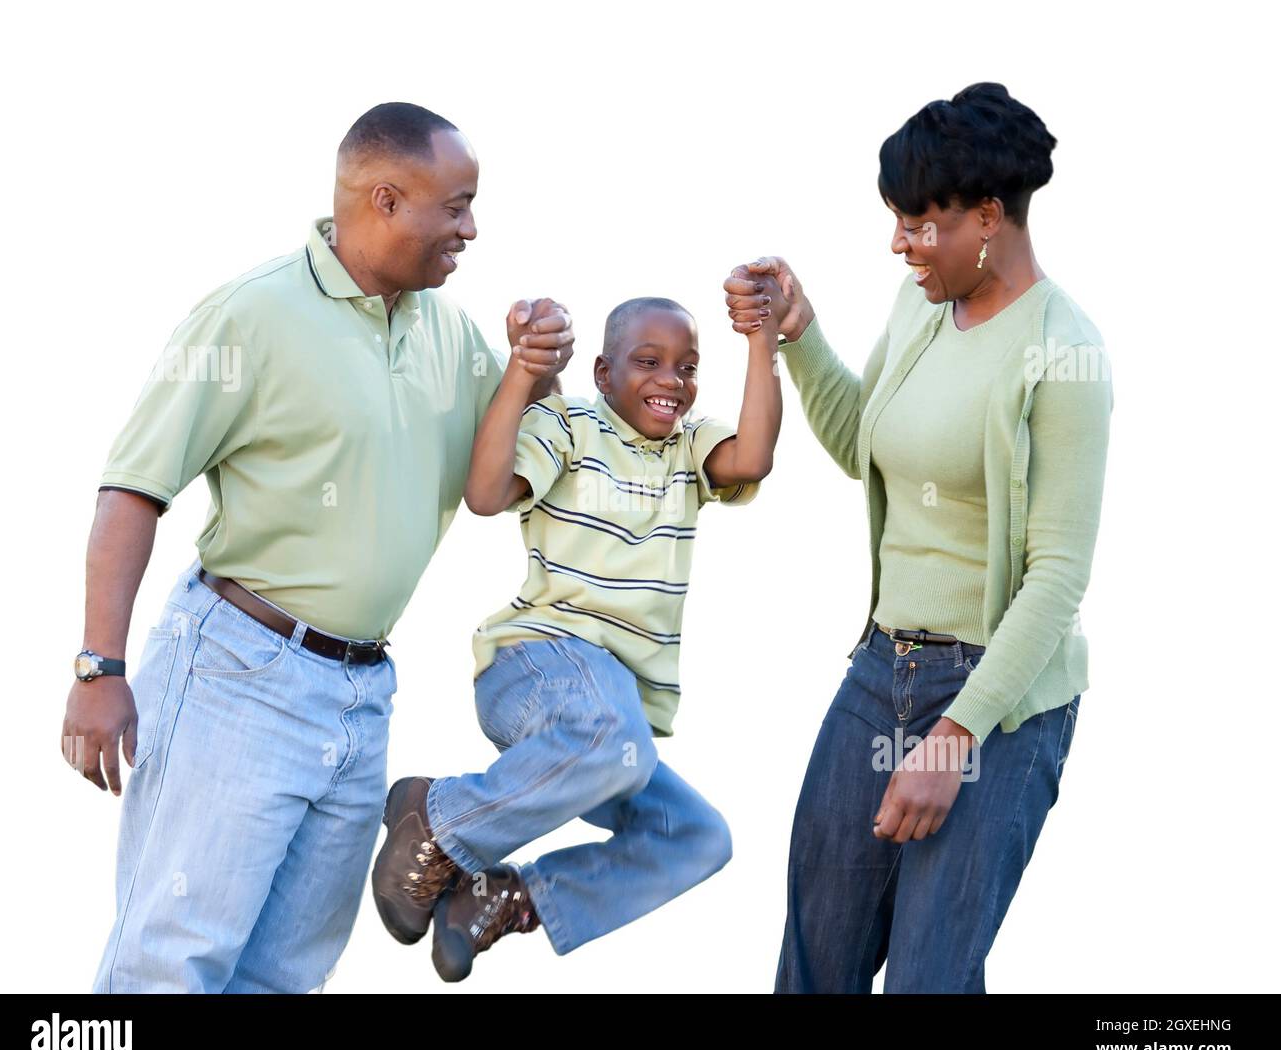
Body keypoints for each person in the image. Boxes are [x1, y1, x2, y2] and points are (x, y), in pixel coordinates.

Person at [66, 102, 575, 993]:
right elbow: (132, 489)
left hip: (361, 694)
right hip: (238, 674)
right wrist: (97, 666)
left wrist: (538, 365)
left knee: (285, 975)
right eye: (454, 206)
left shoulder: (444, 330)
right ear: (385, 199)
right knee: (170, 963)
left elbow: (502, 471)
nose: (471, 228)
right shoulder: (250, 315)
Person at [724, 83, 1113, 993]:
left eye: (918, 224)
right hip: (880, 672)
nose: (900, 244)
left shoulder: (1066, 354)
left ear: (988, 218)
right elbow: (869, 443)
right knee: (816, 966)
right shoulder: (921, 306)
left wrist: (955, 736)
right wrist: (799, 334)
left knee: (929, 980)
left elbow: (1057, 578)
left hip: (1000, 700)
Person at [370, 293, 782, 981]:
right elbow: (485, 492)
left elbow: (755, 456)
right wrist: (523, 370)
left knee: (699, 836)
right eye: (648, 362)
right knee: (613, 738)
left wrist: (763, 340)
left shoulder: (689, 449)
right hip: (537, 664)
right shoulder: (570, 427)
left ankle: (505, 894)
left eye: (687, 367)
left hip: (609, 726)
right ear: (602, 371)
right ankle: (435, 819)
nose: (670, 380)